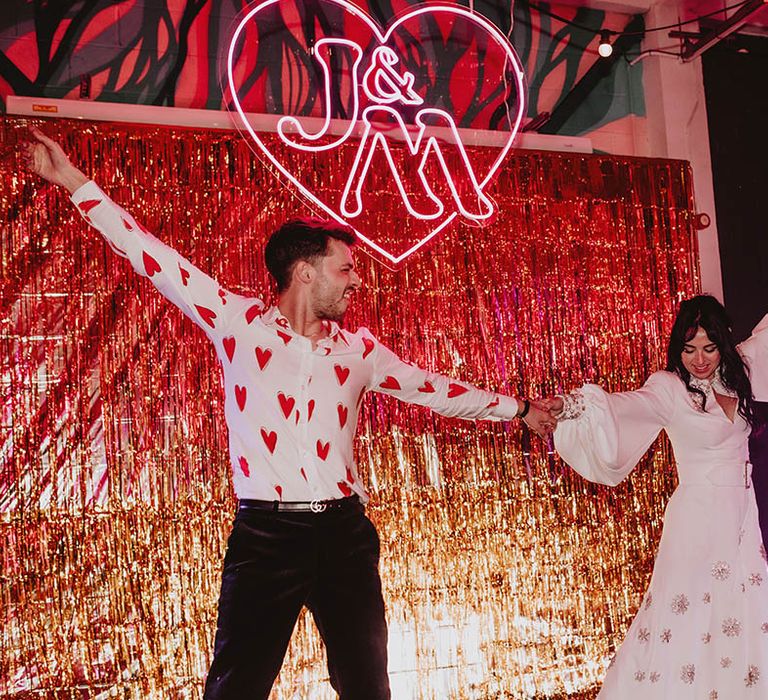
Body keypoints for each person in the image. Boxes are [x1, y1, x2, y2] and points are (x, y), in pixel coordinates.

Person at [23, 127, 555, 700]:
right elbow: (150, 255)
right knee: (236, 687)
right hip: (266, 535)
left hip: (345, 534)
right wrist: (73, 181)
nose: (356, 279)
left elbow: (436, 390)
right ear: (305, 272)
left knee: (367, 686)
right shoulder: (236, 323)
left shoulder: (361, 352)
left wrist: (520, 409)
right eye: (345, 269)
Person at [546, 295, 768, 698]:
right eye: (688, 349)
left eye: (708, 348)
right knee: (690, 618)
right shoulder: (668, 388)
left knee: (747, 613)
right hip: (697, 520)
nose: (698, 359)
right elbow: (625, 405)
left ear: (723, 343)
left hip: (744, 518)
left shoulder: (741, 375)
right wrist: (571, 405)